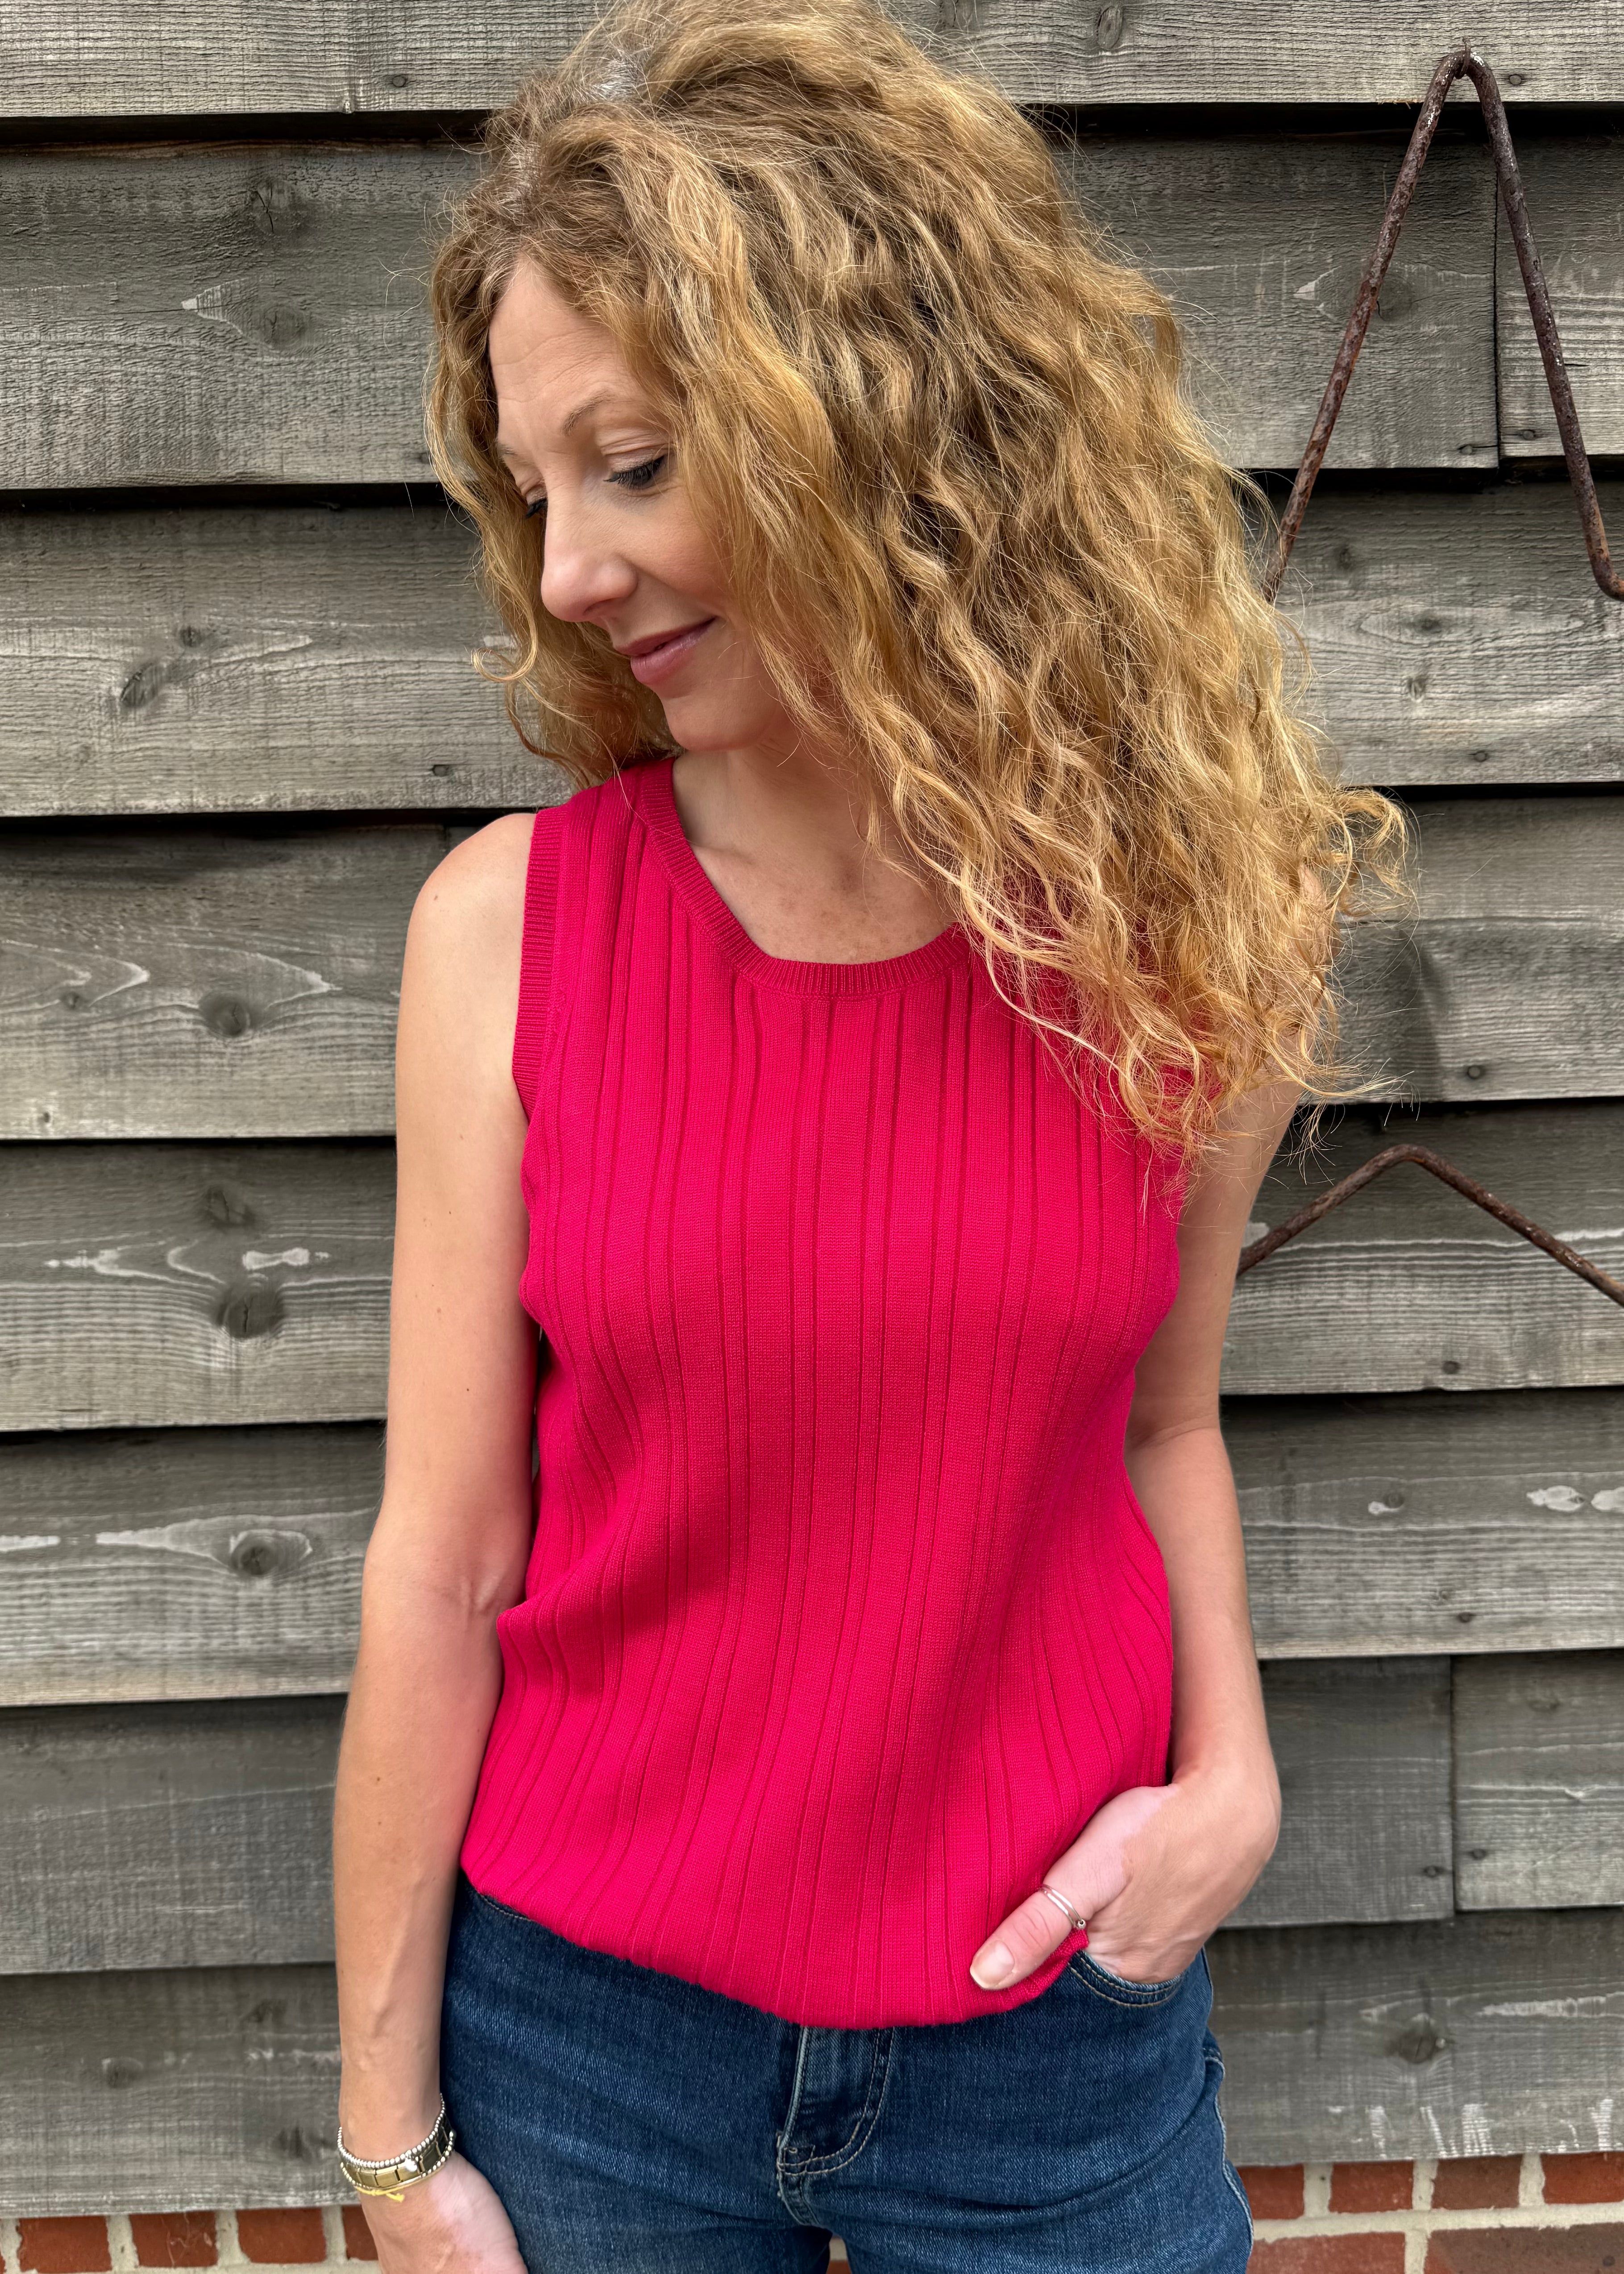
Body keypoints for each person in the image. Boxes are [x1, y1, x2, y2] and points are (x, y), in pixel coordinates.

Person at [329, 2, 1403, 2267]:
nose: (571, 573)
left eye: (629, 464)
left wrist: (1233, 1776)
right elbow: (440, 1559)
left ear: (872, 421)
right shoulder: (508, 937)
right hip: (591, 2037)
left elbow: (1163, 1421)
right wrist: (390, 2140)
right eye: (536, 491)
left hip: (1052, 2030)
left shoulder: (1182, 920)